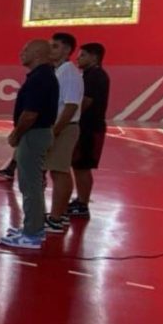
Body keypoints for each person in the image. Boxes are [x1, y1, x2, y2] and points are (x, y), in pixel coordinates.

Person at [0, 39, 59, 250]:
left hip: (34, 134)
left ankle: (32, 232)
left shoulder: (41, 77)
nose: (21, 52)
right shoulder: (42, 75)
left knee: (30, 184)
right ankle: (33, 227)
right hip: (36, 134)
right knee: (30, 182)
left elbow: (30, 113)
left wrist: (16, 134)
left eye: (26, 49)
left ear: (38, 53)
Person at [44, 33, 84, 232]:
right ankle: (57, 214)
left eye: (55, 46)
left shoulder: (68, 72)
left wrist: (55, 131)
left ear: (67, 50)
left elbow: (70, 106)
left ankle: (57, 218)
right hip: (59, 127)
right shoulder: (59, 71)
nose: (51, 49)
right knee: (57, 170)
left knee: (60, 171)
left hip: (64, 128)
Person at [69, 43, 110, 219]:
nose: (78, 58)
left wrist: (68, 115)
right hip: (86, 128)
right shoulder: (89, 75)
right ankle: (80, 200)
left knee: (82, 166)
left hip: (90, 129)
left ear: (94, 57)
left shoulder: (95, 76)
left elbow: (85, 101)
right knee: (79, 166)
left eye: (83, 55)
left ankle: (83, 204)